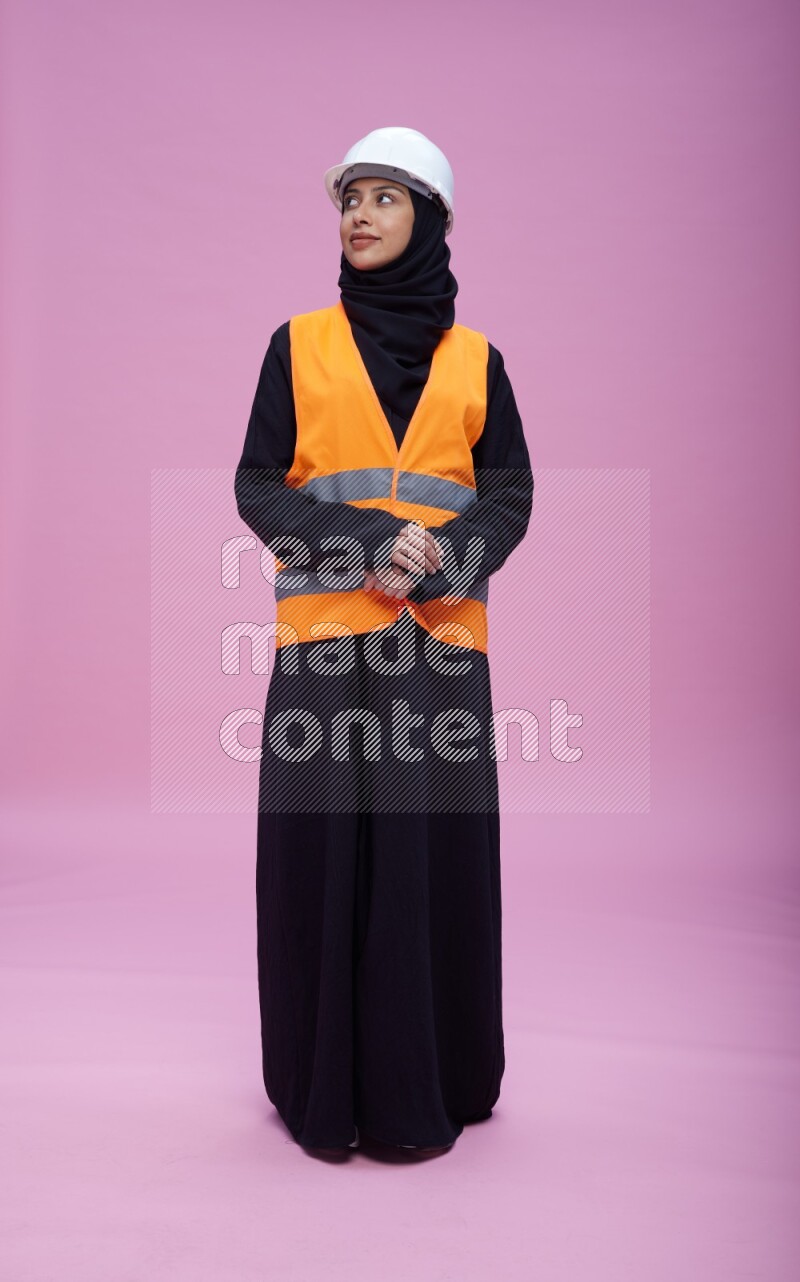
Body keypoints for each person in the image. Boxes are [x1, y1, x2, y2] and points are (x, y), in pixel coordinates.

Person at [234, 126, 533, 1158]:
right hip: (323, 646)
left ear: (429, 220)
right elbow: (258, 486)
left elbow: (509, 496)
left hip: (438, 650)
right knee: (319, 859)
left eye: (382, 198)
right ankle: (320, 1083)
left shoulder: (478, 363)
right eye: (348, 199)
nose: (357, 215)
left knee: (426, 863)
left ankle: (432, 1078)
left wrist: (439, 559)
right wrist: (369, 544)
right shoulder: (297, 344)